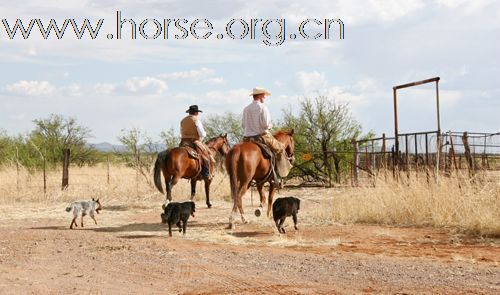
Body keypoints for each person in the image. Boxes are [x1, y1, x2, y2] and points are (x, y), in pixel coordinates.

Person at [242, 87, 286, 184]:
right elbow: (266, 125)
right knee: (280, 148)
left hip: (246, 138)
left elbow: (243, 125)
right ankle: (277, 177)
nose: (264, 98)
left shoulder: (246, 109)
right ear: (260, 95)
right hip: (261, 136)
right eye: (263, 95)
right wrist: (270, 125)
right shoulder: (263, 107)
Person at [179, 105, 214, 179]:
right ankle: (206, 174)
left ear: (189, 112)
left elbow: (181, 132)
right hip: (194, 141)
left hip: (183, 142)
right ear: (196, 113)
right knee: (206, 156)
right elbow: (201, 133)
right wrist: (205, 134)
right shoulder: (196, 120)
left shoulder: (183, 120)